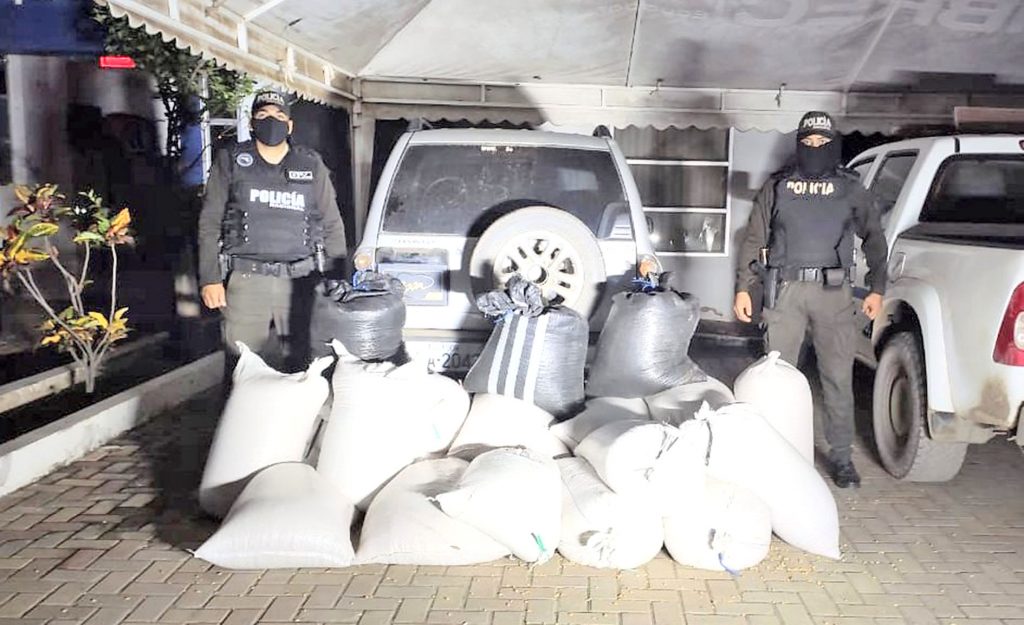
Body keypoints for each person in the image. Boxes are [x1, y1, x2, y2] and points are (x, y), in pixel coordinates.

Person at [733, 111, 887, 489]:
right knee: (776, 376)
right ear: (799, 144)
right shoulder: (779, 185)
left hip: (834, 294)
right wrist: (743, 287)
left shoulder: (850, 187)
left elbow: (874, 237)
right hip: (786, 292)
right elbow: (754, 238)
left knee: (837, 379)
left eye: (822, 142)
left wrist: (878, 288)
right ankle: (775, 453)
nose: (815, 148)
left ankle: (841, 458)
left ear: (832, 144)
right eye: (808, 142)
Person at [198, 89, 347, 374]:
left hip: (301, 282)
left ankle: (308, 419)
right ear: (252, 122)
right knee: (242, 368)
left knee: (309, 369)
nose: (271, 121)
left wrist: (337, 281)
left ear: (290, 125)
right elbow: (209, 222)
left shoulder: (310, 164)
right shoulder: (231, 160)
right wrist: (210, 279)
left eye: (279, 116)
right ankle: (239, 418)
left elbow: (332, 224)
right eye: (263, 115)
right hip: (246, 281)